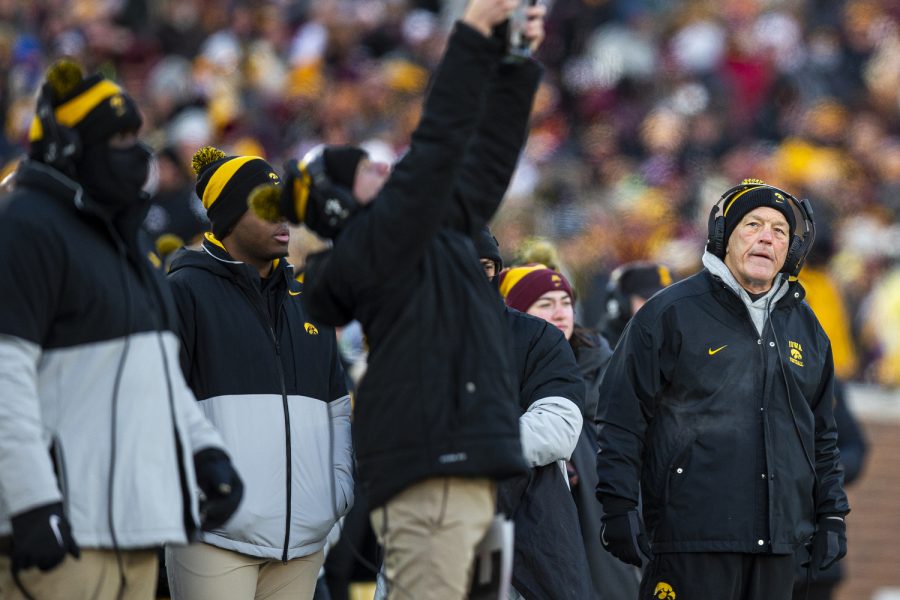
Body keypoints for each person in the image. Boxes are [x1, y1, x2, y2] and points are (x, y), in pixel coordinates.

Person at [252, 1, 546, 597]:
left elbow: (488, 161)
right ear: (336, 204)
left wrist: (515, 60)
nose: (385, 168)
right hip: (433, 474)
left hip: (465, 471)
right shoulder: (379, 240)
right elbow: (439, 143)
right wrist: (472, 36)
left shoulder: (421, 233)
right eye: (366, 170)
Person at [0, 59, 242, 600]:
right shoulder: (23, 226)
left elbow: (155, 372)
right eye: (119, 137)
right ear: (69, 146)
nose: (138, 152)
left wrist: (204, 451)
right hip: (63, 531)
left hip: (137, 527)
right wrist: (33, 502)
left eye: (138, 134)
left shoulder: (124, 239)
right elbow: (4, 377)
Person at [595, 179, 850, 599]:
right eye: (753, 225)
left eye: (780, 231)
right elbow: (621, 420)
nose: (767, 237)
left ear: (792, 250)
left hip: (779, 548)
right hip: (689, 539)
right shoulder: (668, 314)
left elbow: (822, 436)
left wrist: (832, 517)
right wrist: (618, 506)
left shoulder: (808, 328)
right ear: (723, 238)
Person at [161, 146, 354, 600]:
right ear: (228, 216)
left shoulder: (309, 299)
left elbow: (337, 408)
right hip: (215, 536)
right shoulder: (183, 292)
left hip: (303, 541)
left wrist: (335, 493)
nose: (282, 218)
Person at [496, 261, 640, 599]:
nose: (561, 312)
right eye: (545, 304)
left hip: (607, 532)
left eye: (566, 302)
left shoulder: (607, 367)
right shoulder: (507, 378)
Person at [476, 237, 591, 600]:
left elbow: (558, 426)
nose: (560, 313)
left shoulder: (537, 339)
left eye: (485, 267)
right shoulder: (407, 338)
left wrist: (463, 448)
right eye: (546, 303)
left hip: (536, 531)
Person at [599, 261, 673, 347]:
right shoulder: (605, 347)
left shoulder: (671, 333)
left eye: (663, 299)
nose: (658, 307)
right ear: (624, 302)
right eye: (648, 300)